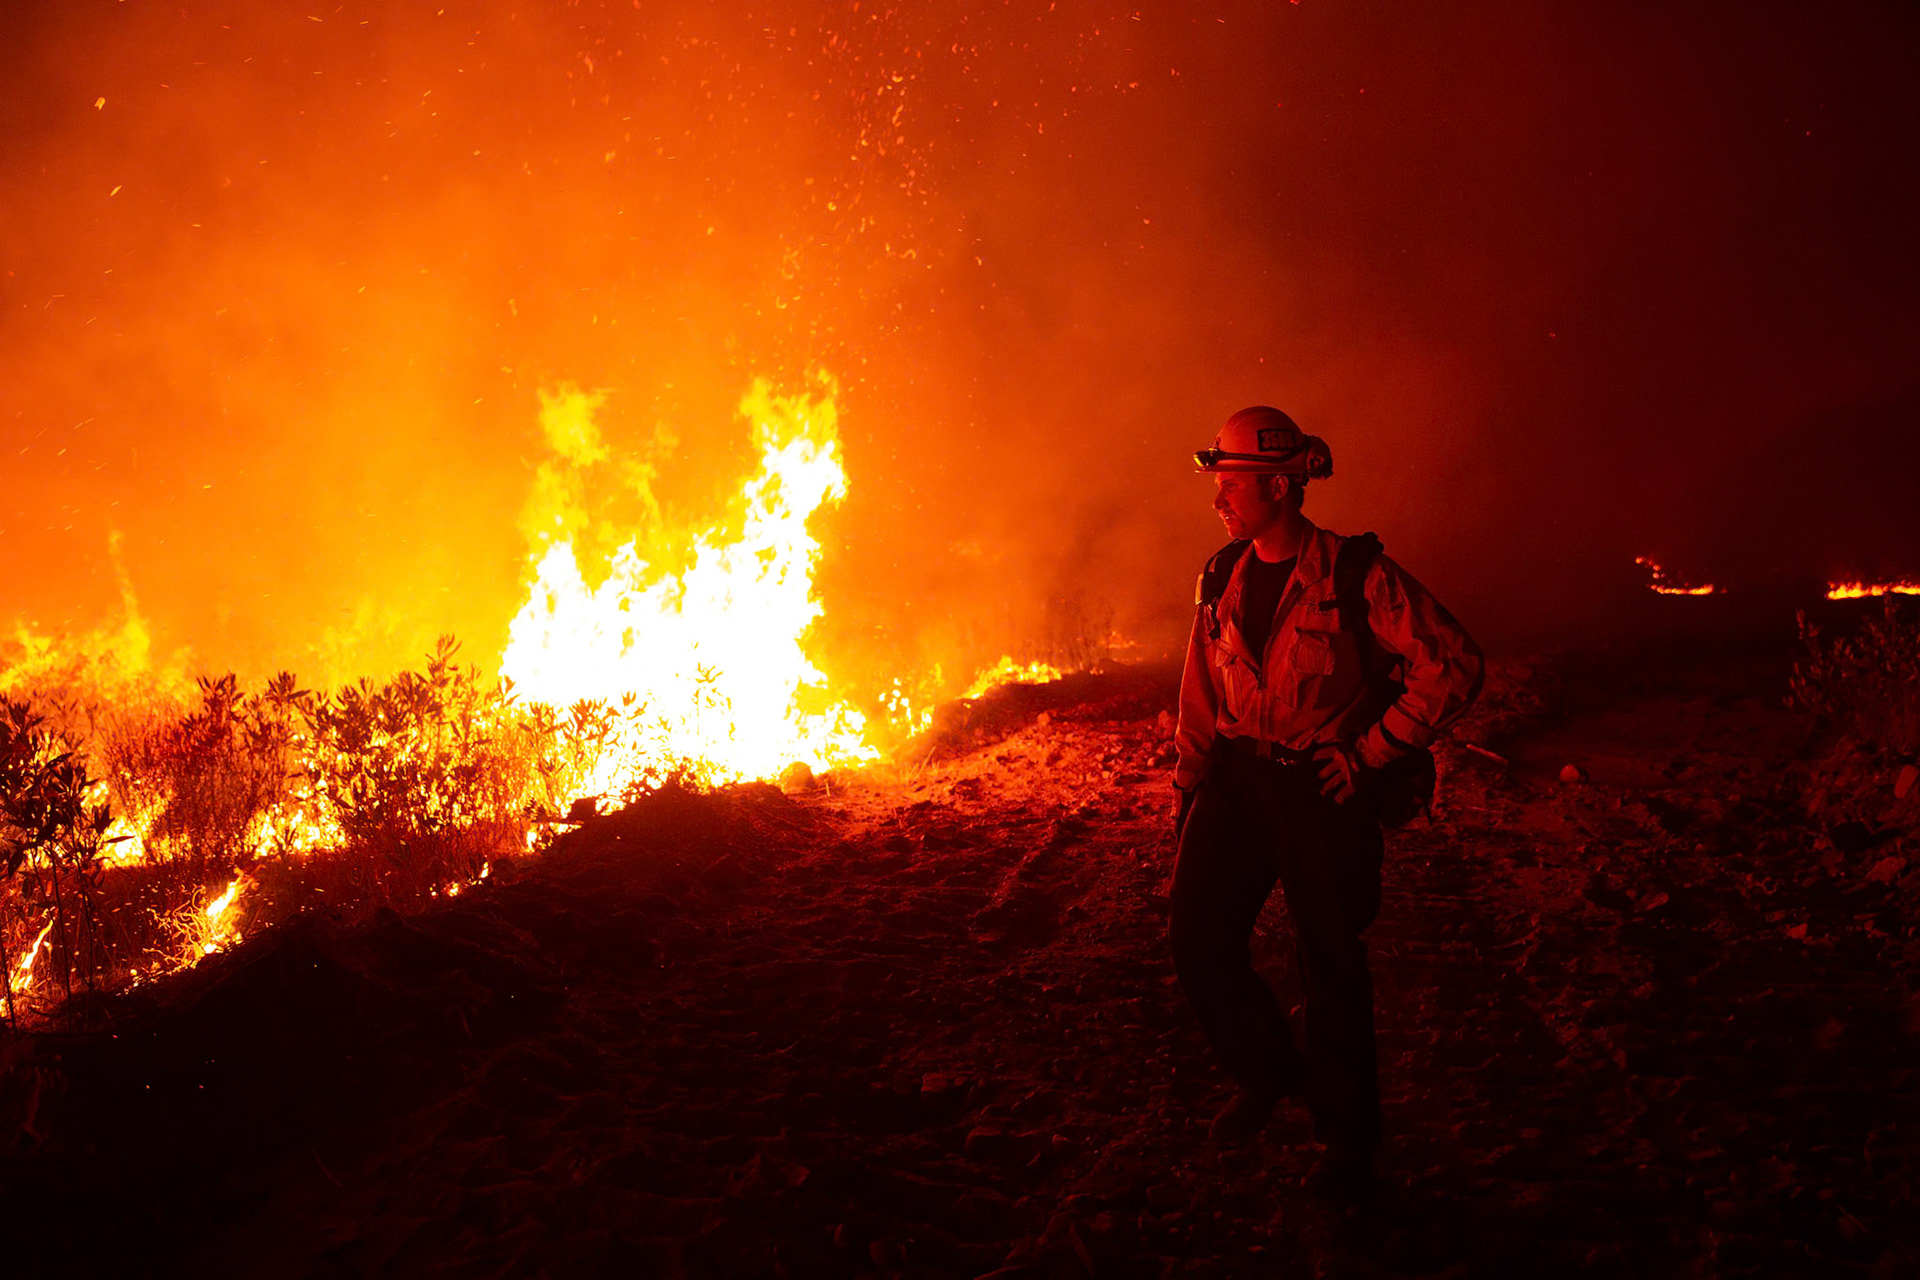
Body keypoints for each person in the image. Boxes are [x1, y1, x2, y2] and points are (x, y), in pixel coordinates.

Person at [1169, 406, 1483, 1202]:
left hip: (1318, 789)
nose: (1219, 499)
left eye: (1231, 482)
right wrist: (1188, 779)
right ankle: (1271, 1072)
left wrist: (1372, 755)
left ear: (1279, 484)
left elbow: (1451, 664)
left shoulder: (1355, 575)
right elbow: (1201, 690)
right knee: (1198, 940)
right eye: (1217, 483)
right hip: (1237, 780)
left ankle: (1348, 1141)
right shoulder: (1219, 576)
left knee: (1332, 965)